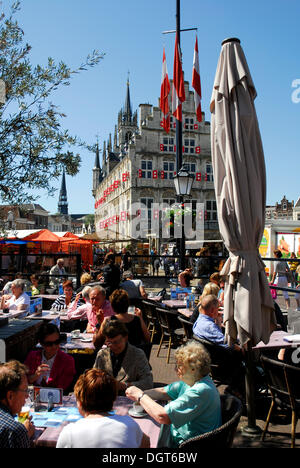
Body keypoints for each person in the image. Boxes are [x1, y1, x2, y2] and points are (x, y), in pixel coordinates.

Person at [126, 340, 221, 448]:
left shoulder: (201, 390)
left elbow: (162, 416)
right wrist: (136, 393)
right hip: (179, 436)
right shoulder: (193, 380)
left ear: (193, 369)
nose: (176, 369)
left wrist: (140, 396)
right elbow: (163, 392)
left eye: (180, 365)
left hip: (188, 444)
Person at [56, 368, 150, 448]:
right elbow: (146, 442)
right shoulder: (129, 425)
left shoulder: (69, 433)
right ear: (113, 399)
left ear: (79, 403)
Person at [93, 320, 153, 394]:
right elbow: (94, 378)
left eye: (116, 342)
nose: (113, 346)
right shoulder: (102, 355)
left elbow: (148, 383)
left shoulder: (137, 355)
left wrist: (125, 385)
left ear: (125, 338)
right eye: (109, 342)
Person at [24, 323, 76, 393]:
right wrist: (35, 375)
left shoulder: (68, 361)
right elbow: (23, 381)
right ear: (41, 343)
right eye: (49, 344)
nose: (54, 346)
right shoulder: (32, 356)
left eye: (57, 342)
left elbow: (62, 388)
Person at [0, 360, 35, 448]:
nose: (27, 396)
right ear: (10, 396)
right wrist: (24, 435)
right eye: (25, 390)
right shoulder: (15, 431)